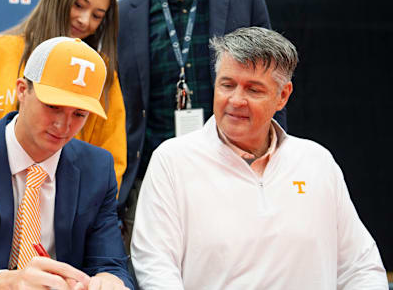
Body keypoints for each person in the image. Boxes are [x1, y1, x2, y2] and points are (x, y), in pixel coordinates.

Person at [130, 27, 387, 289]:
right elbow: (155, 266)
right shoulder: (173, 160)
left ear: (283, 96)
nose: (236, 100)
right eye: (227, 85)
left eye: (253, 90)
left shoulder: (317, 162)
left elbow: (360, 266)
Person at [116, 0, 285, 240]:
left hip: (232, 170)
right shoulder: (125, 14)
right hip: (151, 178)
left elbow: (270, 85)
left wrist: (275, 166)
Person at [0, 37, 133, 290]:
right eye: (53, 106)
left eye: (79, 114)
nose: (63, 126)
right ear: (22, 90)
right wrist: (9, 283)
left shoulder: (97, 167)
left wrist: (109, 282)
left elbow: (111, 264)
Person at [0, 0, 127, 191]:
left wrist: (84, 215)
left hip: (61, 211)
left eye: (97, 16)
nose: (85, 20)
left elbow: (110, 160)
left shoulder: (100, 73)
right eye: (78, 5)